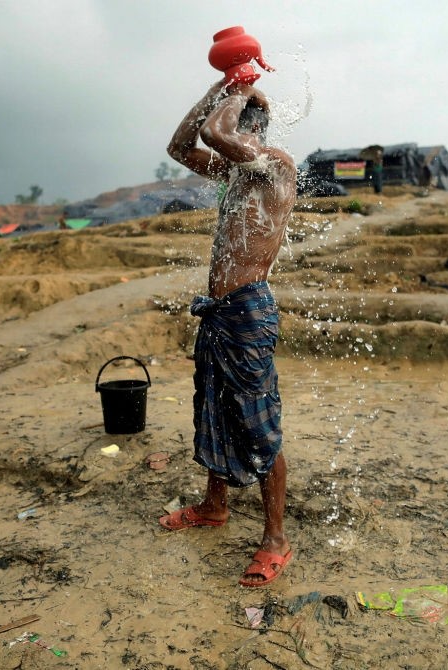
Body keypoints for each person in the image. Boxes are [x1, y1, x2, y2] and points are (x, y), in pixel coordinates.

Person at [160, 79, 296, 588]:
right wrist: (221, 87)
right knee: (213, 406)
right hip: (219, 311)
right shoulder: (237, 174)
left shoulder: (273, 165)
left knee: (258, 423)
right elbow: (180, 145)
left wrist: (239, 88)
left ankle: (276, 539)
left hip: (247, 312)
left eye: (236, 125)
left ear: (251, 134)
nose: (226, 132)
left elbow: (217, 134)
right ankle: (214, 506)